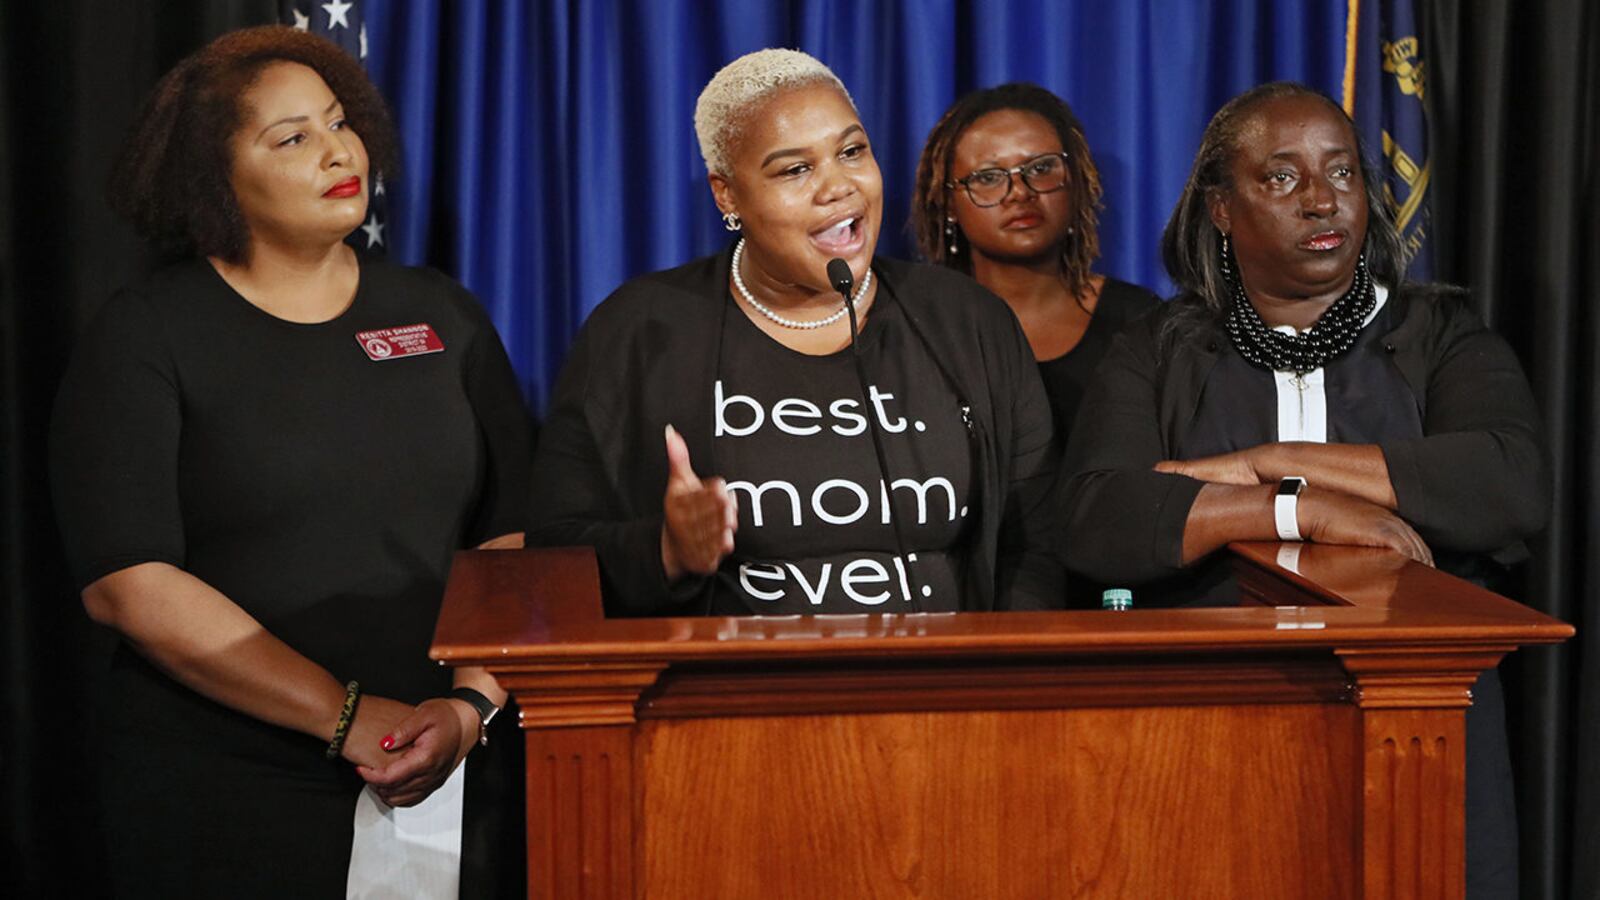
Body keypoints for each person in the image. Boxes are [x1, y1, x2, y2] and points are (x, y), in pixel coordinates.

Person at [49, 27, 532, 897]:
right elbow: (127, 581)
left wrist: (470, 705)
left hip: (447, 766)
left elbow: (513, 533)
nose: (337, 150)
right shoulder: (147, 335)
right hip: (228, 787)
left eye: (339, 121)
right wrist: (342, 716)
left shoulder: (440, 313)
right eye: (292, 138)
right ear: (214, 176)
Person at [1059, 81, 1546, 898]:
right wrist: (1293, 505)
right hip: (1213, 729)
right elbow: (1096, 517)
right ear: (1221, 208)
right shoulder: (1161, 349)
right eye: (1281, 178)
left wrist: (1269, 459)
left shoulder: (1438, 335)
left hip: (1418, 729)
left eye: (1343, 173)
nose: (1323, 200)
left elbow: (1507, 482)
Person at [529, 49, 1062, 616]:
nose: (838, 187)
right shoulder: (641, 330)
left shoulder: (967, 321)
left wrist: (1002, 679)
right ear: (727, 194)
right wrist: (665, 551)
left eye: (852, 152)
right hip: (716, 696)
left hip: (944, 694)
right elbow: (551, 547)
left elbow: (1037, 539)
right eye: (795, 169)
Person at [912, 83, 1160, 456]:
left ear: (1075, 180)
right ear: (948, 202)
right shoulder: (915, 328)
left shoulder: (1142, 322)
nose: (1020, 192)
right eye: (988, 177)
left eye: (1041, 168)